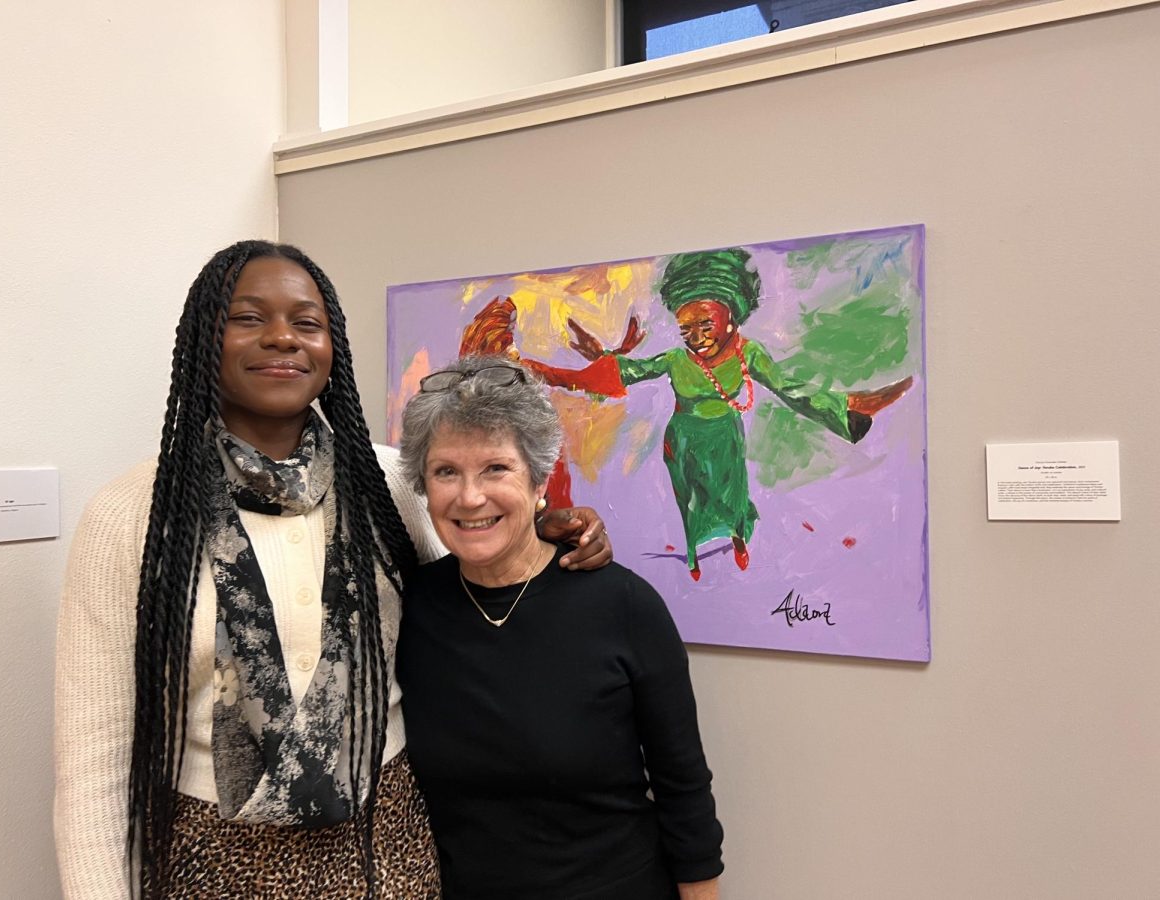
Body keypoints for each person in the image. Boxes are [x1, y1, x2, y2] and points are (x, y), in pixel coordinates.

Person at [53, 240, 612, 899]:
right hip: (215, 857)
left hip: (389, 845)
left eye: (307, 322)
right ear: (206, 337)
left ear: (331, 348)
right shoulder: (134, 516)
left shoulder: (392, 485)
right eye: (249, 318)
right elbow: (93, 767)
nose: (283, 337)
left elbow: (473, 595)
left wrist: (546, 532)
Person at [396, 355, 724, 900]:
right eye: (446, 471)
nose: (470, 496)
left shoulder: (623, 605)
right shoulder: (412, 607)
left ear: (539, 481)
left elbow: (683, 789)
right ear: (423, 488)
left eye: (496, 468)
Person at [514, 247, 912, 581]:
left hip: (725, 437)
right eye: (687, 329)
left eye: (705, 324)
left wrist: (848, 407)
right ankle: (693, 555)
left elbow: (790, 390)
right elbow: (625, 373)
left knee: (733, 499)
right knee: (691, 502)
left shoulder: (747, 353)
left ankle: (739, 539)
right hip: (683, 441)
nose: (697, 337)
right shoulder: (675, 359)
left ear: (730, 318)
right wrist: (551, 373)